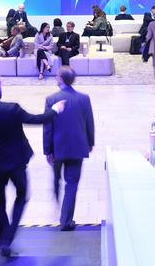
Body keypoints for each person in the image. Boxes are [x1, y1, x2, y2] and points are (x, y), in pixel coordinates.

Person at [0, 74, 66, 258]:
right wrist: (55, 110)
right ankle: (8, 238)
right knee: (22, 196)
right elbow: (36, 119)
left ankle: (2, 240)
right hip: (16, 163)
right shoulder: (11, 109)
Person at [43, 67, 95, 231]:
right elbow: (89, 122)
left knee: (57, 177)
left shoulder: (51, 99)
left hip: (57, 147)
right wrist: (90, 142)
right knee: (72, 183)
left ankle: (57, 201)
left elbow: (47, 127)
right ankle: (65, 220)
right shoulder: (84, 99)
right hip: (77, 147)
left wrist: (47, 150)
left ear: (60, 79)